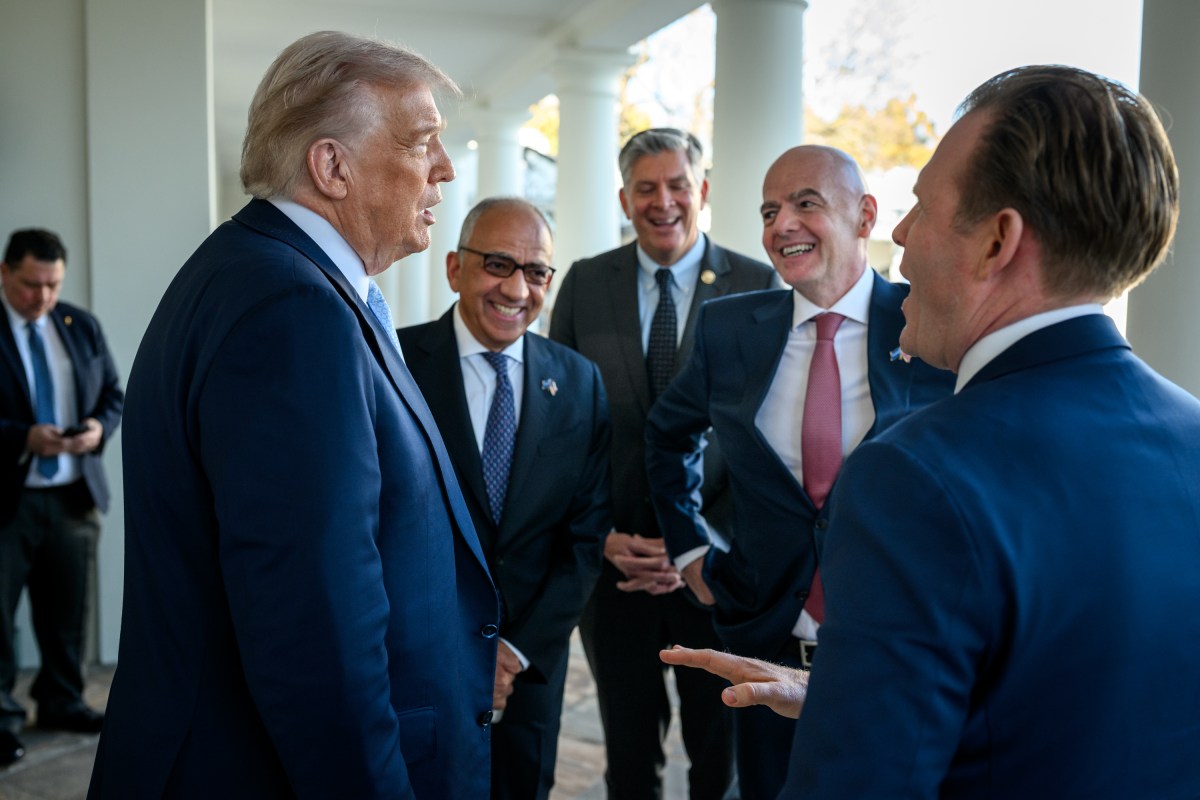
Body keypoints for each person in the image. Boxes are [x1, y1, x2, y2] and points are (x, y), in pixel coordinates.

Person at [662, 65, 1200, 798]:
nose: (902, 236)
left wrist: (857, 724)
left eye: (921, 206)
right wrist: (861, 693)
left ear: (997, 241)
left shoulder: (910, 475)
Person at [88, 31, 499, 799]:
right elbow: (316, 629)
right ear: (332, 167)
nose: (445, 168)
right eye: (422, 142)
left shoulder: (270, 276)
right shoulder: (293, 309)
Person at [644, 145, 953, 798]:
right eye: (769, 211)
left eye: (806, 203)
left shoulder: (931, 326)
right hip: (763, 644)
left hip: (896, 654)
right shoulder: (730, 328)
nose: (781, 224)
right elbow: (667, 435)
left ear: (865, 215)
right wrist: (691, 549)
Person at [549, 127, 776, 798]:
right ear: (625, 199)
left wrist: (697, 545)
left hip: (719, 576)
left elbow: (769, 442)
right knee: (629, 763)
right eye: (645, 188)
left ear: (701, 190)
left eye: (677, 185)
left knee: (720, 762)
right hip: (618, 574)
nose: (663, 201)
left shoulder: (758, 285)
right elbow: (565, 431)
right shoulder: (586, 283)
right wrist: (601, 536)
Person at [398, 196, 611, 799]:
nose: (517, 289)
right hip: (418, 669)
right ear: (455, 268)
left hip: (528, 675)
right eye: (497, 264)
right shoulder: (394, 363)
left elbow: (585, 539)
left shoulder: (579, 381)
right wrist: (452, 652)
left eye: (536, 271)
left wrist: (512, 654)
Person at [0, 229, 122, 767]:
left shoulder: (79, 325)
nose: (43, 297)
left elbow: (113, 394)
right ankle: (1, 719)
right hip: (9, 498)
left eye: (53, 285)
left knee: (68, 612)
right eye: (32, 284)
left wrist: (97, 428)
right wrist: (21, 437)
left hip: (74, 494)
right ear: (4, 272)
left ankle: (62, 700)